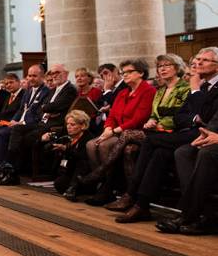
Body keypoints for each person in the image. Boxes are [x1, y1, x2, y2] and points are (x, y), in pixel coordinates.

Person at [108, 48, 218, 219]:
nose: (198, 63)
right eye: (197, 59)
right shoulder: (176, 88)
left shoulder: (192, 86)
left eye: (204, 60)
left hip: (194, 133)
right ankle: (142, 205)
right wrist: (194, 117)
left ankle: (131, 194)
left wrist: (195, 97)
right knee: (159, 153)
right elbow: (182, 115)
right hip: (187, 130)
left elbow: (197, 114)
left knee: (147, 141)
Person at [105, 54, 190, 219]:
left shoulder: (185, 89)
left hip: (174, 133)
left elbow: (182, 115)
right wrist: (151, 121)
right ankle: (140, 204)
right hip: (158, 134)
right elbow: (154, 113)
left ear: (177, 68)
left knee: (131, 136)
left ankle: (128, 194)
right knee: (132, 149)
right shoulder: (160, 91)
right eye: (160, 66)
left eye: (167, 65)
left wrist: (161, 123)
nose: (162, 69)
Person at [80, 59, 155, 204]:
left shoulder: (148, 91)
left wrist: (114, 131)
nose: (124, 75)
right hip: (117, 131)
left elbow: (140, 118)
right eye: (123, 72)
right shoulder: (123, 93)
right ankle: (103, 184)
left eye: (129, 72)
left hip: (136, 132)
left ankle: (106, 186)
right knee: (90, 144)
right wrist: (108, 128)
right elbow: (112, 115)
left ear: (140, 73)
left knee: (103, 145)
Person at [48, 110, 95, 200]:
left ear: (83, 126)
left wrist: (66, 149)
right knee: (59, 184)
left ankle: (74, 187)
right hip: (69, 171)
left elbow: (83, 158)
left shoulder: (88, 139)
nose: (68, 127)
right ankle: (73, 188)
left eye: (72, 125)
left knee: (82, 163)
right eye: (67, 124)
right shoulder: (67, 137)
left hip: (84, 174)